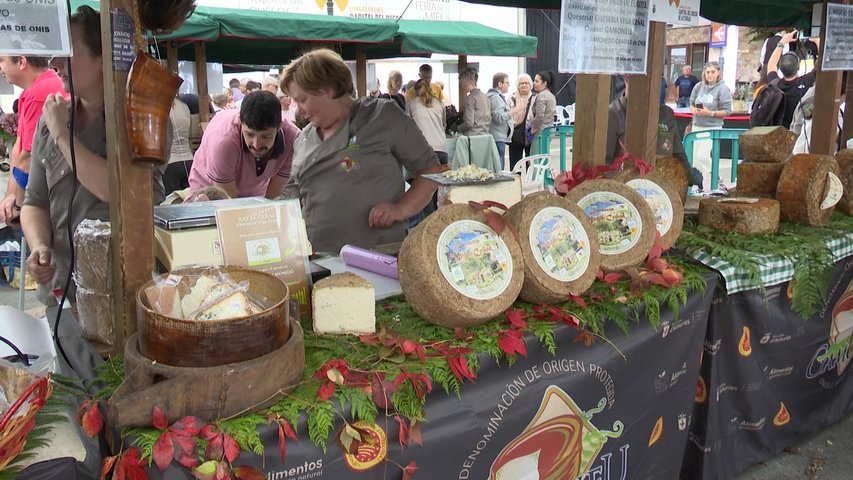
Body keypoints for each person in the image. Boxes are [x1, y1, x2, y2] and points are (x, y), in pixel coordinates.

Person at [21, 5, 166, 306]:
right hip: (63, 291)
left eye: (68, 53)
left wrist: (63, 134)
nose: (55, 62)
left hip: (122, 292)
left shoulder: (140, 121)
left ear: (103, 59)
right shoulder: (51, 121)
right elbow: (34, 201)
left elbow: (114, 188)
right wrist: (39, 246)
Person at [280, 49, 439, 252]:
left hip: (379, 254)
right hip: (321, 258)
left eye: (302, 100)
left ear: (327, 88)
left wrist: (401, 209)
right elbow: (294, 191)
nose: (299, 110)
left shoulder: (383, 116)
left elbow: (432, 170)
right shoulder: (303, 137)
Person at [188, 90, 299, 199]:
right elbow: (229, 205)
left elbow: (273, 200)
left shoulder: (293, 139)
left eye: (265, 136)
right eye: (249, 134)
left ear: (279, 127)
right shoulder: (223, 142)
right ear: (241, 123)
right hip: (210, 192)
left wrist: (265, 210)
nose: (256, 145)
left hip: (255, 191)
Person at [0, 54, 66, 224]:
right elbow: (19, 147)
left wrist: (19, 206)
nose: (0, 68)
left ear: (21, 62)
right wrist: (11, 196)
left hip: (50, 199)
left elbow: (29, 156)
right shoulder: (33, 91)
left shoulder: (39, 93)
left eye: (2, 61)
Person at [605, 79, 703, 189]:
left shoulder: (666, 114)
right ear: (627, 77)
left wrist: (691, 174)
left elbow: (678, 153)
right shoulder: (613, 114)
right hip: (623, 189)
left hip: (658, 190)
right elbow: (606, 162)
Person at [689, 61, 733, 190]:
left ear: (718, 72)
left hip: (712, 126)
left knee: (702, 155)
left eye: (713, 72)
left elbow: (728, 110)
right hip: (697, 124)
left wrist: (711, 113)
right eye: (707, 72)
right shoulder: (698, 86)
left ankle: (716, 176)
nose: (710, 75)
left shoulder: (722, 89)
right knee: (695, 159)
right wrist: (693, 110)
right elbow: (691, 102)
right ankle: (699, 183)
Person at [767, 30, 819, 129]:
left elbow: (771, 64)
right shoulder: (806, 83)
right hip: (797, 133)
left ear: (780, 68)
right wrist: (817, 41)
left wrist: (782, 42)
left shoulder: (774, 84)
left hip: (777, 135)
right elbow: (820, 66)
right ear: (798, 67)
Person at [407, 79, 447, 165]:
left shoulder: (411, 104)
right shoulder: (440, 103)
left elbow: (408, 128)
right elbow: (444, 125)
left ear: (415, 90)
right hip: (441, 149)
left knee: (422, 178)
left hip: (422, 150)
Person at [164, 97, 193, 195]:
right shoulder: (184, 106)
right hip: (189, 160)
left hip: (170, 163)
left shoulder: (160, 106)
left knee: (171, 203)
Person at [486, 72, 513, 162]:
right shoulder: (495, 98)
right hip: (497, 137)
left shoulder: (498, 97)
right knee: (498, 166)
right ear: (500, 84)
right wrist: (514, 111)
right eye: (507, 83)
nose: (509, 85)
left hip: (499, 137)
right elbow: (498, 117)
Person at [508, 74, 533, 168]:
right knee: (515, 162)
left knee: (529, 160)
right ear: (518, 85)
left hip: (529, 132)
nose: (524, 85)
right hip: (515, 132)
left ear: (530, 85)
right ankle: (515, 180)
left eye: (526, 83)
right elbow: (508, 113)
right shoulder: (511, 97)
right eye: (521, 83)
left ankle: (528, 181)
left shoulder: (535, 97)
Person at [529, 71, 557, 154]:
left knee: (535, 158)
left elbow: (540, 116)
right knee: (544, 156)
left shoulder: (542, 96)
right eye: (534, 81)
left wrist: (533, 128)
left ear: (544, 83)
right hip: (549, 129)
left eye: (537, 81)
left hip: (541, 131)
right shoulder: (551, 95)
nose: (534, 83)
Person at [457, 67, 490, 137]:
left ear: (471, 81)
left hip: (473, 137)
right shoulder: (485, 97)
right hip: (485, 135)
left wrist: (458, 128)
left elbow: (469, 122)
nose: (462, 86)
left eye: (462, 82)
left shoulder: (470, 99)